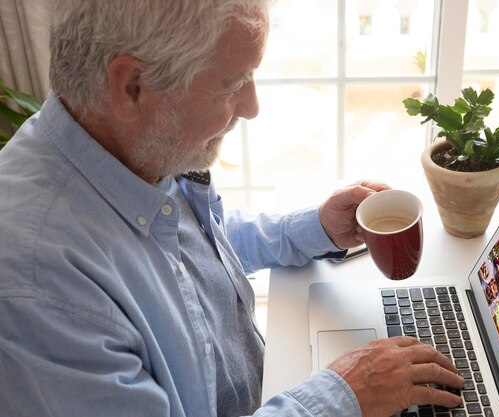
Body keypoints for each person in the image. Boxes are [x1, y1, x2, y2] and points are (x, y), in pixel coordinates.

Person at [0, 1, 464, 417]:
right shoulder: (42, 288)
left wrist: (311, 229)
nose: (252, 106)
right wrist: (344, 394)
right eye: (233, 84)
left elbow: (183, 255)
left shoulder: (127, 144)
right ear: (132, 86)